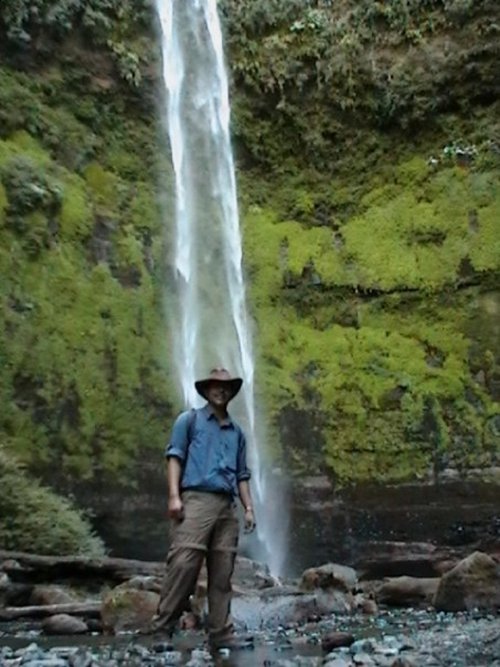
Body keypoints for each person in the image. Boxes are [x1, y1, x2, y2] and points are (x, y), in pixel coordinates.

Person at [152, 367, 256, 649]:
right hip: (196, 500)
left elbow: (242, 475)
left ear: (231, 392)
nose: (220, 390)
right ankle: (162, 628)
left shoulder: (237, 433)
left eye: (225, 387)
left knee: (222, 572)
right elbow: (174, 457)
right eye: (214, 386)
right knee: (184, 563)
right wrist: (174, 496)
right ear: (206, 390)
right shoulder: (189, 420)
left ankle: (221, 633)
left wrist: (248, 507)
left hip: (227, 506)